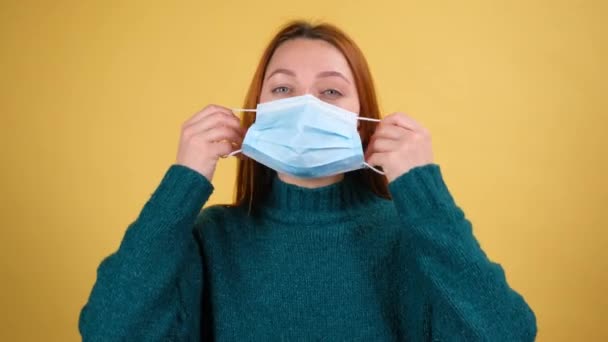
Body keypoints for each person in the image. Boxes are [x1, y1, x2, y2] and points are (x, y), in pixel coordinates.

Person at [79, 21, 537, 341]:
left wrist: (423, 191)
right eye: (282, 89)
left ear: (362, 117)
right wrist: (183, 180)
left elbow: (506, 332)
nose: (304, 107)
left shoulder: (410, 235)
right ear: (254, 110)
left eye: (331, 91)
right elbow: (108, 330)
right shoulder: (210, 237)